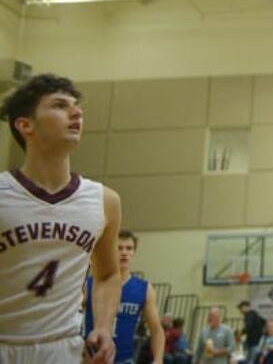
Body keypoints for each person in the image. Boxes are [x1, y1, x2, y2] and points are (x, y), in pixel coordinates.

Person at [0, 74, 123, 363]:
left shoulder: (104, 200)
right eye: (59, 105)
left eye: (76, 106)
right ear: (25, 124)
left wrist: (104, 327)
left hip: (62, 347)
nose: (76, 112)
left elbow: (107, 275)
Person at [84, 229, 165, 364]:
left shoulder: (144, 289)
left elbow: (156, 329)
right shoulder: (91, 284)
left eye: (129, 248)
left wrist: (158, 359)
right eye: (119, 248)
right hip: (93, 358)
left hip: (124, 359)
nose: (124, 253)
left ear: (134, 252)